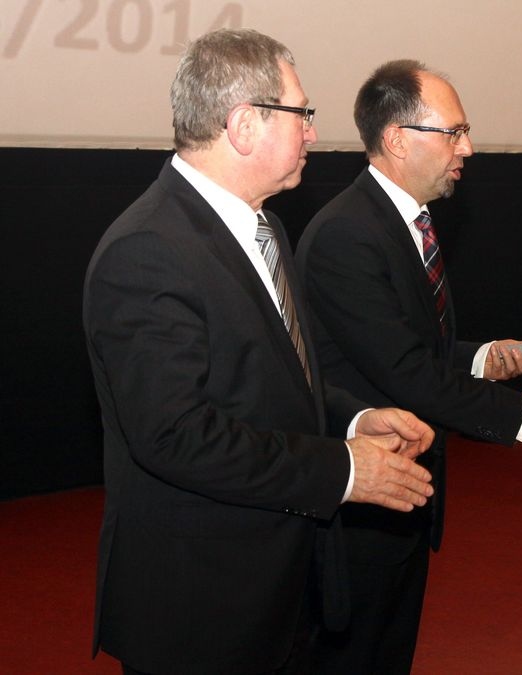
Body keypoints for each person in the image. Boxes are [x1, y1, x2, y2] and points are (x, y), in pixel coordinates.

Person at [82, 29, 436, 675]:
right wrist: (343, 469)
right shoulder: (148, 250)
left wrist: (354, 419)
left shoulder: (262, 226)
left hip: (278, 586)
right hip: (202, 606)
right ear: (244, 125)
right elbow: (175, 435)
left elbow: (274, 379)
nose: (313, 133)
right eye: (301, 113)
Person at [295, 59, 522, 673]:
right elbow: (405, 374)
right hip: (360, 507)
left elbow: (409, 346)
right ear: (398, 138)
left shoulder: (406, 221)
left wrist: (478, 358)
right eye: (454, 133)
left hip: (402, 497)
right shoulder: (349, 234)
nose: (467, 149)